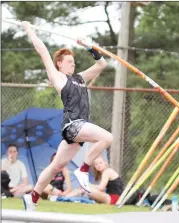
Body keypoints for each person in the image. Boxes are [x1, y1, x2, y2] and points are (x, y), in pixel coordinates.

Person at [21, 21, 113, 211]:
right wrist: (29, 29)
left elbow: (102, 63)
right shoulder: (58, 78)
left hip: (77, 130)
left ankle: (33, 198)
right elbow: (42, 50)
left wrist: (88, 46)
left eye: (73, 61)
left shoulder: (79, 78)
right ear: (59, 64)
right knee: (107, 137)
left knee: (56, 166)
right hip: (73, 124)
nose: (73, 63)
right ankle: (83, 169)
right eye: (69, 61)